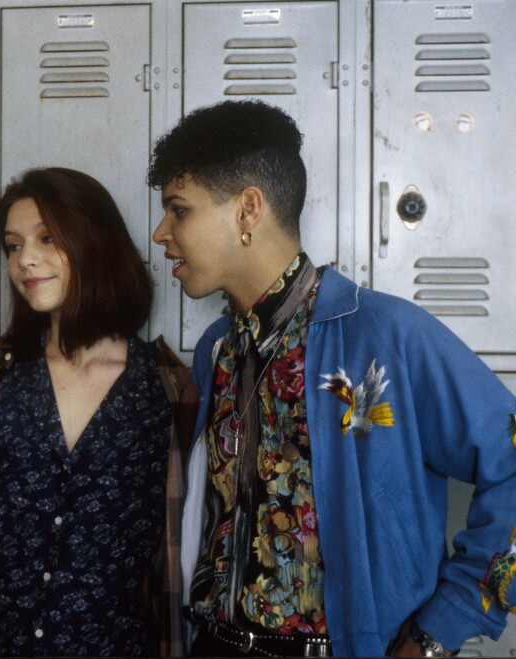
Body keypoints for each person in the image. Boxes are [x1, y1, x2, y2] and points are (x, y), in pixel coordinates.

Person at [147, 99, 516, 657]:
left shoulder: (385, 336)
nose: (160, 233)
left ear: (248, 210)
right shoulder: (216, 349)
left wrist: (439, 630)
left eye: (179, 210)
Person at [0, 167, 197, 656]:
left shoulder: (168, 389)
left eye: (47, 238)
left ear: (97, 244)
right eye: (13, 246)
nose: (25, 260)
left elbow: (178, 552)